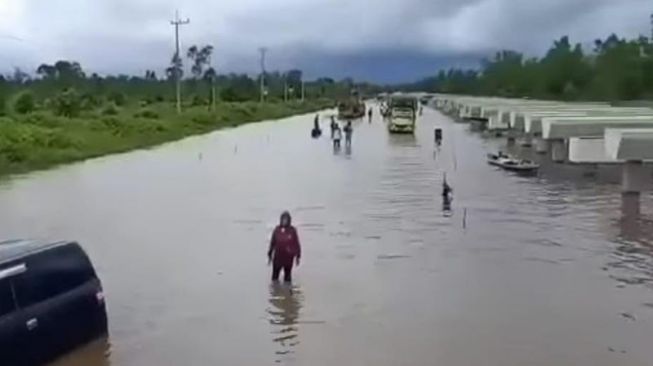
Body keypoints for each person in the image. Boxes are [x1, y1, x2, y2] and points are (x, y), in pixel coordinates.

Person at [268, 211, 301, 282]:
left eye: (286, 219)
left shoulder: (292, 230)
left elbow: (296, 244)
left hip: (288, 260)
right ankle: (275, 292)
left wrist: (298, 256)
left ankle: (288, 292)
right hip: (277, 259)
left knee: (287, 279)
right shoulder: (277, 230)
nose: (284, 221)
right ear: (280, 220)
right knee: (274, 278)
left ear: (289, 220)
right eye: (283, 219)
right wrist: (269, 254)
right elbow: (272, 243)